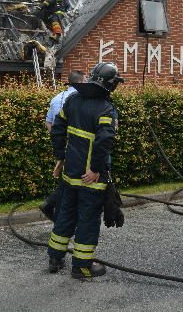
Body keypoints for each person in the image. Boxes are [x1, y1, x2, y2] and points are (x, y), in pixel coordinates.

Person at [47, 62, 124, 279]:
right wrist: (96, 169)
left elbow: (58, 130)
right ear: (110, 85)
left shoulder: (72, 100)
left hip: (70, 173)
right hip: (91, 178)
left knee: (65, 215)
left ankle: (55, 258)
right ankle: (81, 267)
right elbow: (104, 140)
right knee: (88, 221)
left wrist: (60, 158)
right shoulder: (105, 108)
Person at [38, 70, 86, 222]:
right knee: (75, 181)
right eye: (85, 81)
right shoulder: (82, 99)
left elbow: (49, 123)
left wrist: (58, 142)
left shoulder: (56, 98)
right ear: (81, 82)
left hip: (62, 146)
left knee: (67, 180)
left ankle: (55, 209)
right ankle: (57, 210)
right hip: (78, 147)